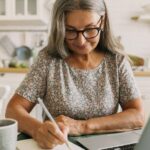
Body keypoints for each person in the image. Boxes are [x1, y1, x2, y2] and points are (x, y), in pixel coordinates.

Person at [6, 0, 145, 149]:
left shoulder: (116, 61)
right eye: (71, 30)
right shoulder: (48, 60)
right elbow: (13, 110)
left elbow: (137, 116)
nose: (81, 40)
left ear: (102, 22)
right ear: (60, 27)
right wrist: (38, 130)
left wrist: (83, 126)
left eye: (90, 29)